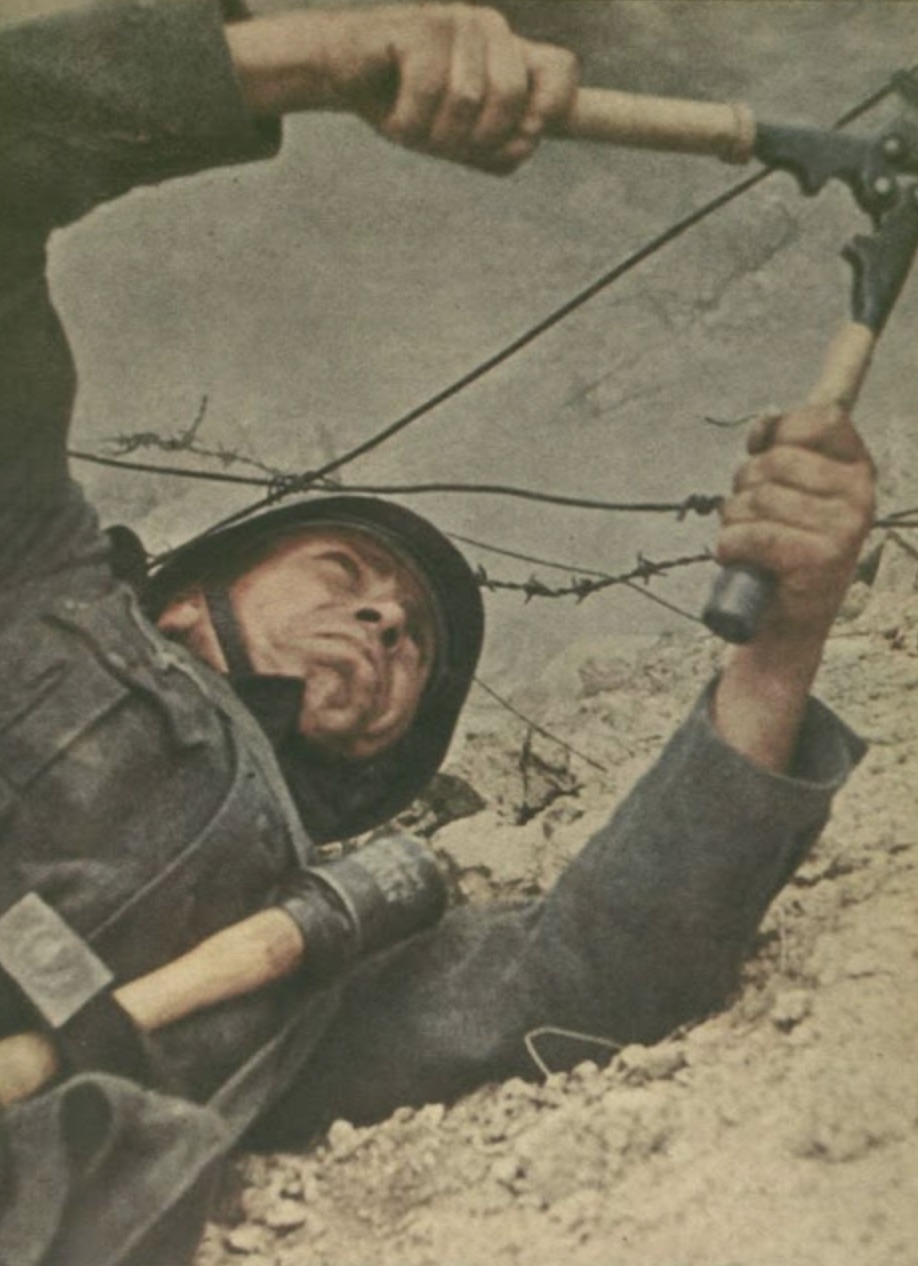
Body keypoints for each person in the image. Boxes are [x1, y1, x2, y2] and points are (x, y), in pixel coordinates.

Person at [0, 2, 875, 1264]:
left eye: (410, 641)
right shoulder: (34, 567)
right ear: (188, 594)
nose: (383, 616)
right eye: (345, 572)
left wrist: (785, 637)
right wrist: (315, 59)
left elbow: (589, 973)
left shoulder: (316, 963)